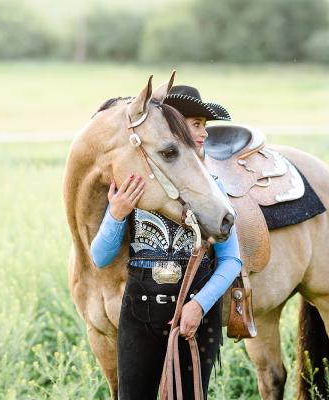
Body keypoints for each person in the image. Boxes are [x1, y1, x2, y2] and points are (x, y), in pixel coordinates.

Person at [89, 85, 240, 400]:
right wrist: (117, 213)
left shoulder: (213, 189)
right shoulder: (139, 186)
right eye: (195, 124)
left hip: (195, 313)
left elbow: (231, 260)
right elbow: (101, 258)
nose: (204, 134)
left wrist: (198, 306)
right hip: (139, 313)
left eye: (204, 125)